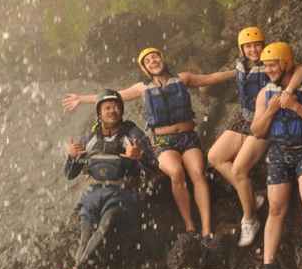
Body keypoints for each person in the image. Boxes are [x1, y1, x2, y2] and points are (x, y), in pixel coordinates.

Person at [63, 48, 234, 245]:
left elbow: (210, 78)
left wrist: (238, 71)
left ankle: (206, 229)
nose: (153, 61)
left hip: (188, 138)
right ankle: (189, 226)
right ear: (144, 68)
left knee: (197, 172)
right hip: (162, 141)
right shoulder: (142, 88)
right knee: (176, 172)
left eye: (155, 57)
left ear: (162, 59)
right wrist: (81, 99)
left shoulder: (183, 78)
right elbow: (111, 96)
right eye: (148, 60)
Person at [207, 27, 302, 247]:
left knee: (239, 169)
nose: (253, 50)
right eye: (248, 46)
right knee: (214, 156)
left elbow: (301, 70)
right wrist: (190, 80)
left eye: (257, 45)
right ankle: (252, 197)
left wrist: (288, 91)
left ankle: (250, 218)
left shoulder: (271, 62)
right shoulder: (241, 65)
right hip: (244, 119)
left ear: (264, 45)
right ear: (242, 49)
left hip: (266, 121)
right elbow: (215, 77)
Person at [250, 42, 302, 269]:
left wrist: (296, 106)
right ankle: (269, 265)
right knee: (276, 208)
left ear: (285, 62)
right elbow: (257, 131)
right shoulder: (265, 93)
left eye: (273, 64)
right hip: (280, 150)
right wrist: (271, 110)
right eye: (265, 66)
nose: (269, 69)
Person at [57, 89, 153, 269]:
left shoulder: (131, 133)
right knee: (86, 231)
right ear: (99, 113)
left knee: (106, 223)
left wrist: (138, 156)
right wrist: (72, 157)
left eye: (117, 107)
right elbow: (70, 173)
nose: (113, 110)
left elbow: (152, 164)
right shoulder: (91, 137)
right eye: (107, 107)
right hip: (94, 192)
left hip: (122, 192)